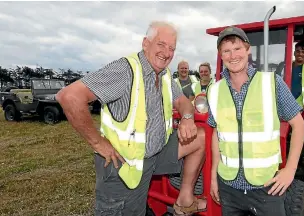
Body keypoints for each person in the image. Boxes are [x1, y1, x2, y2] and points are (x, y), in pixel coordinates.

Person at [55, 21, 207, 215]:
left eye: (172, 48)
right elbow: (69, 96)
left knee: (201, 136)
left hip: (155, 155)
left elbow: (183, 102)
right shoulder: (125, 70)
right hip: (123, 163)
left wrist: (187, 117)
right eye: (161, 44)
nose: (167, 52)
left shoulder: (165, 75)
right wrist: (98, 143)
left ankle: (185, 200)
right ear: (145, 44)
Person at [207, 26, 304, 216]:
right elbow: (216, 134)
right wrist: (213, 177)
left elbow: (299, 125)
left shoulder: (272, 83)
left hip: (266, 186)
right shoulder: (214, 90)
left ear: (247, 49)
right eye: (226, 50)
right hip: (229, 187)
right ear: (220, 55)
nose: (232, 55)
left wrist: (290, 170)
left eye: (237, 49)